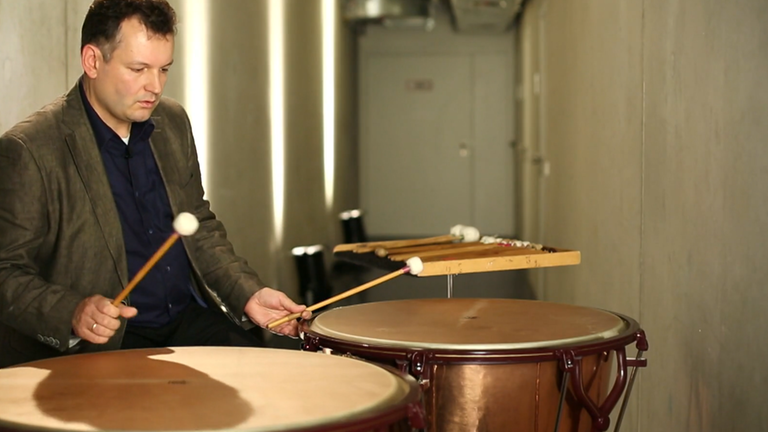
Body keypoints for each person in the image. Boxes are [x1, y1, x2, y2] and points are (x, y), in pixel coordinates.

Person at [0, 0, 309, 368]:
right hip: (111, 343)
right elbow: (6, 271)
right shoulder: (30, 149)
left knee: (269, 379)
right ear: (92, 61)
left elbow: (198, 225)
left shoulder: (173, 122)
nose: (155, 86)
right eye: (138, 69)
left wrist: (248, 294)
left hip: (185, 320)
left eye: (164, 69)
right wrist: (73, 312)